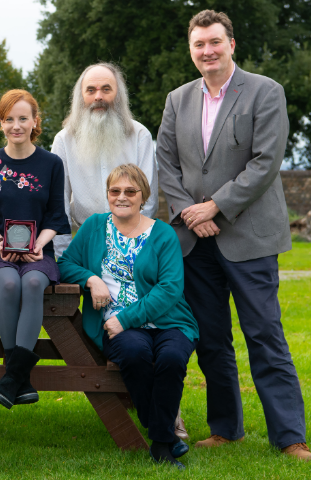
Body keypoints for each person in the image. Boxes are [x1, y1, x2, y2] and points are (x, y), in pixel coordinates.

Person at [156, 10, 309, 461]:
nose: (207, 51)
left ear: (231, 44)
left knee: (265, 334)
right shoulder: (177, 99)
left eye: (214, 42)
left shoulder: (265, 91)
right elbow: (167, 163)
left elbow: (265, 162)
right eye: (199, 44)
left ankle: (290, 436)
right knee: (211, 338)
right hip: (194, 240)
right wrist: (188, 211)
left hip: (250, 236)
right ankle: (226, 427)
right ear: (191, 49)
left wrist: (216, 206)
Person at [58, 164, 199, 470]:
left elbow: (171, 287)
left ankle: (160, 440)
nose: (122, 197)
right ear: (108, 195)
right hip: (113, 322)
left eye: (130, 191)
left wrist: (126, 319)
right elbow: (65, 264)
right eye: (115, 191)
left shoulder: (163, 233)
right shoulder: (94, 227)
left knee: (172, 358)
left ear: (143, 197)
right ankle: (165, 436)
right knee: (135, 353)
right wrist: (90, 279)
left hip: (168, 319)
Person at [0, 89, 70, 409]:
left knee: (33, 282)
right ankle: (19, 377)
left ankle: (11, 376)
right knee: (11, 283)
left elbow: (57, 216)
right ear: (1, 123)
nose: (16, 125)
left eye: (23, 118)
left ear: (35, 121)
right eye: (9, 119)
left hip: (40, 252)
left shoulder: (52, 163)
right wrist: (0, 242)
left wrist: (39, 245)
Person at [52, 62, 158, 258]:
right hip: (86, 244)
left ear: (118, 95)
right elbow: (59, 204)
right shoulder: (63, 140)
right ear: (80, 97)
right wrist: (63, 256)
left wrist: (133, 245)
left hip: (135, 244)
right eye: (90, 90)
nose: (98, 96)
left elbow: (148, 200)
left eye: (106, 89)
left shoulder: (140, 135)